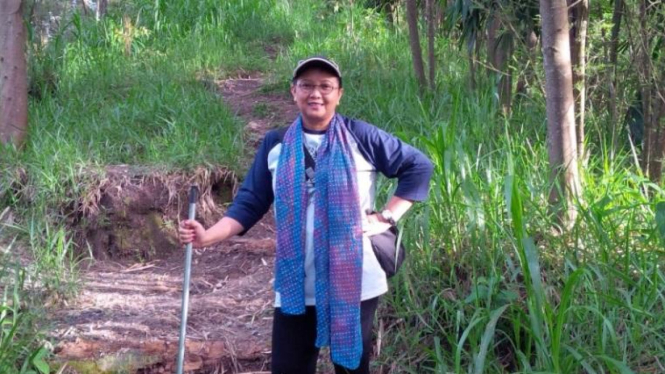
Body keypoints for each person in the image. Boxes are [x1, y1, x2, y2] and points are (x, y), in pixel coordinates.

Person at [178, 56, 433, 374]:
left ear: (339, 94)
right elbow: (250, 203)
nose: (316, 93)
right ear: (293, 92)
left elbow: (418, 166)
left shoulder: (361, 137)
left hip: (355, 281)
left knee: (352, 368)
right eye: (307, 85)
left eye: (326, 86)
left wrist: (386, 217)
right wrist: (207, 236)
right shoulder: (276, 144)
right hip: (296, 284)